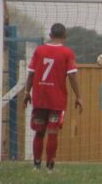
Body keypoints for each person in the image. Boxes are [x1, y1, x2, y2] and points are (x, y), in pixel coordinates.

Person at [23, 23, 83, 172]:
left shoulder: (39, 50)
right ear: (65, 37)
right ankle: (50, 167)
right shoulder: (67, 53)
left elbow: (31, 73)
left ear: (50, 36)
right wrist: (79, 96)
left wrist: (26, 92)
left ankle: (36, 165)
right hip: (57, 99)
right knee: (52, 132)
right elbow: (72, 76)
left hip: (40, 97)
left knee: (39, 131)